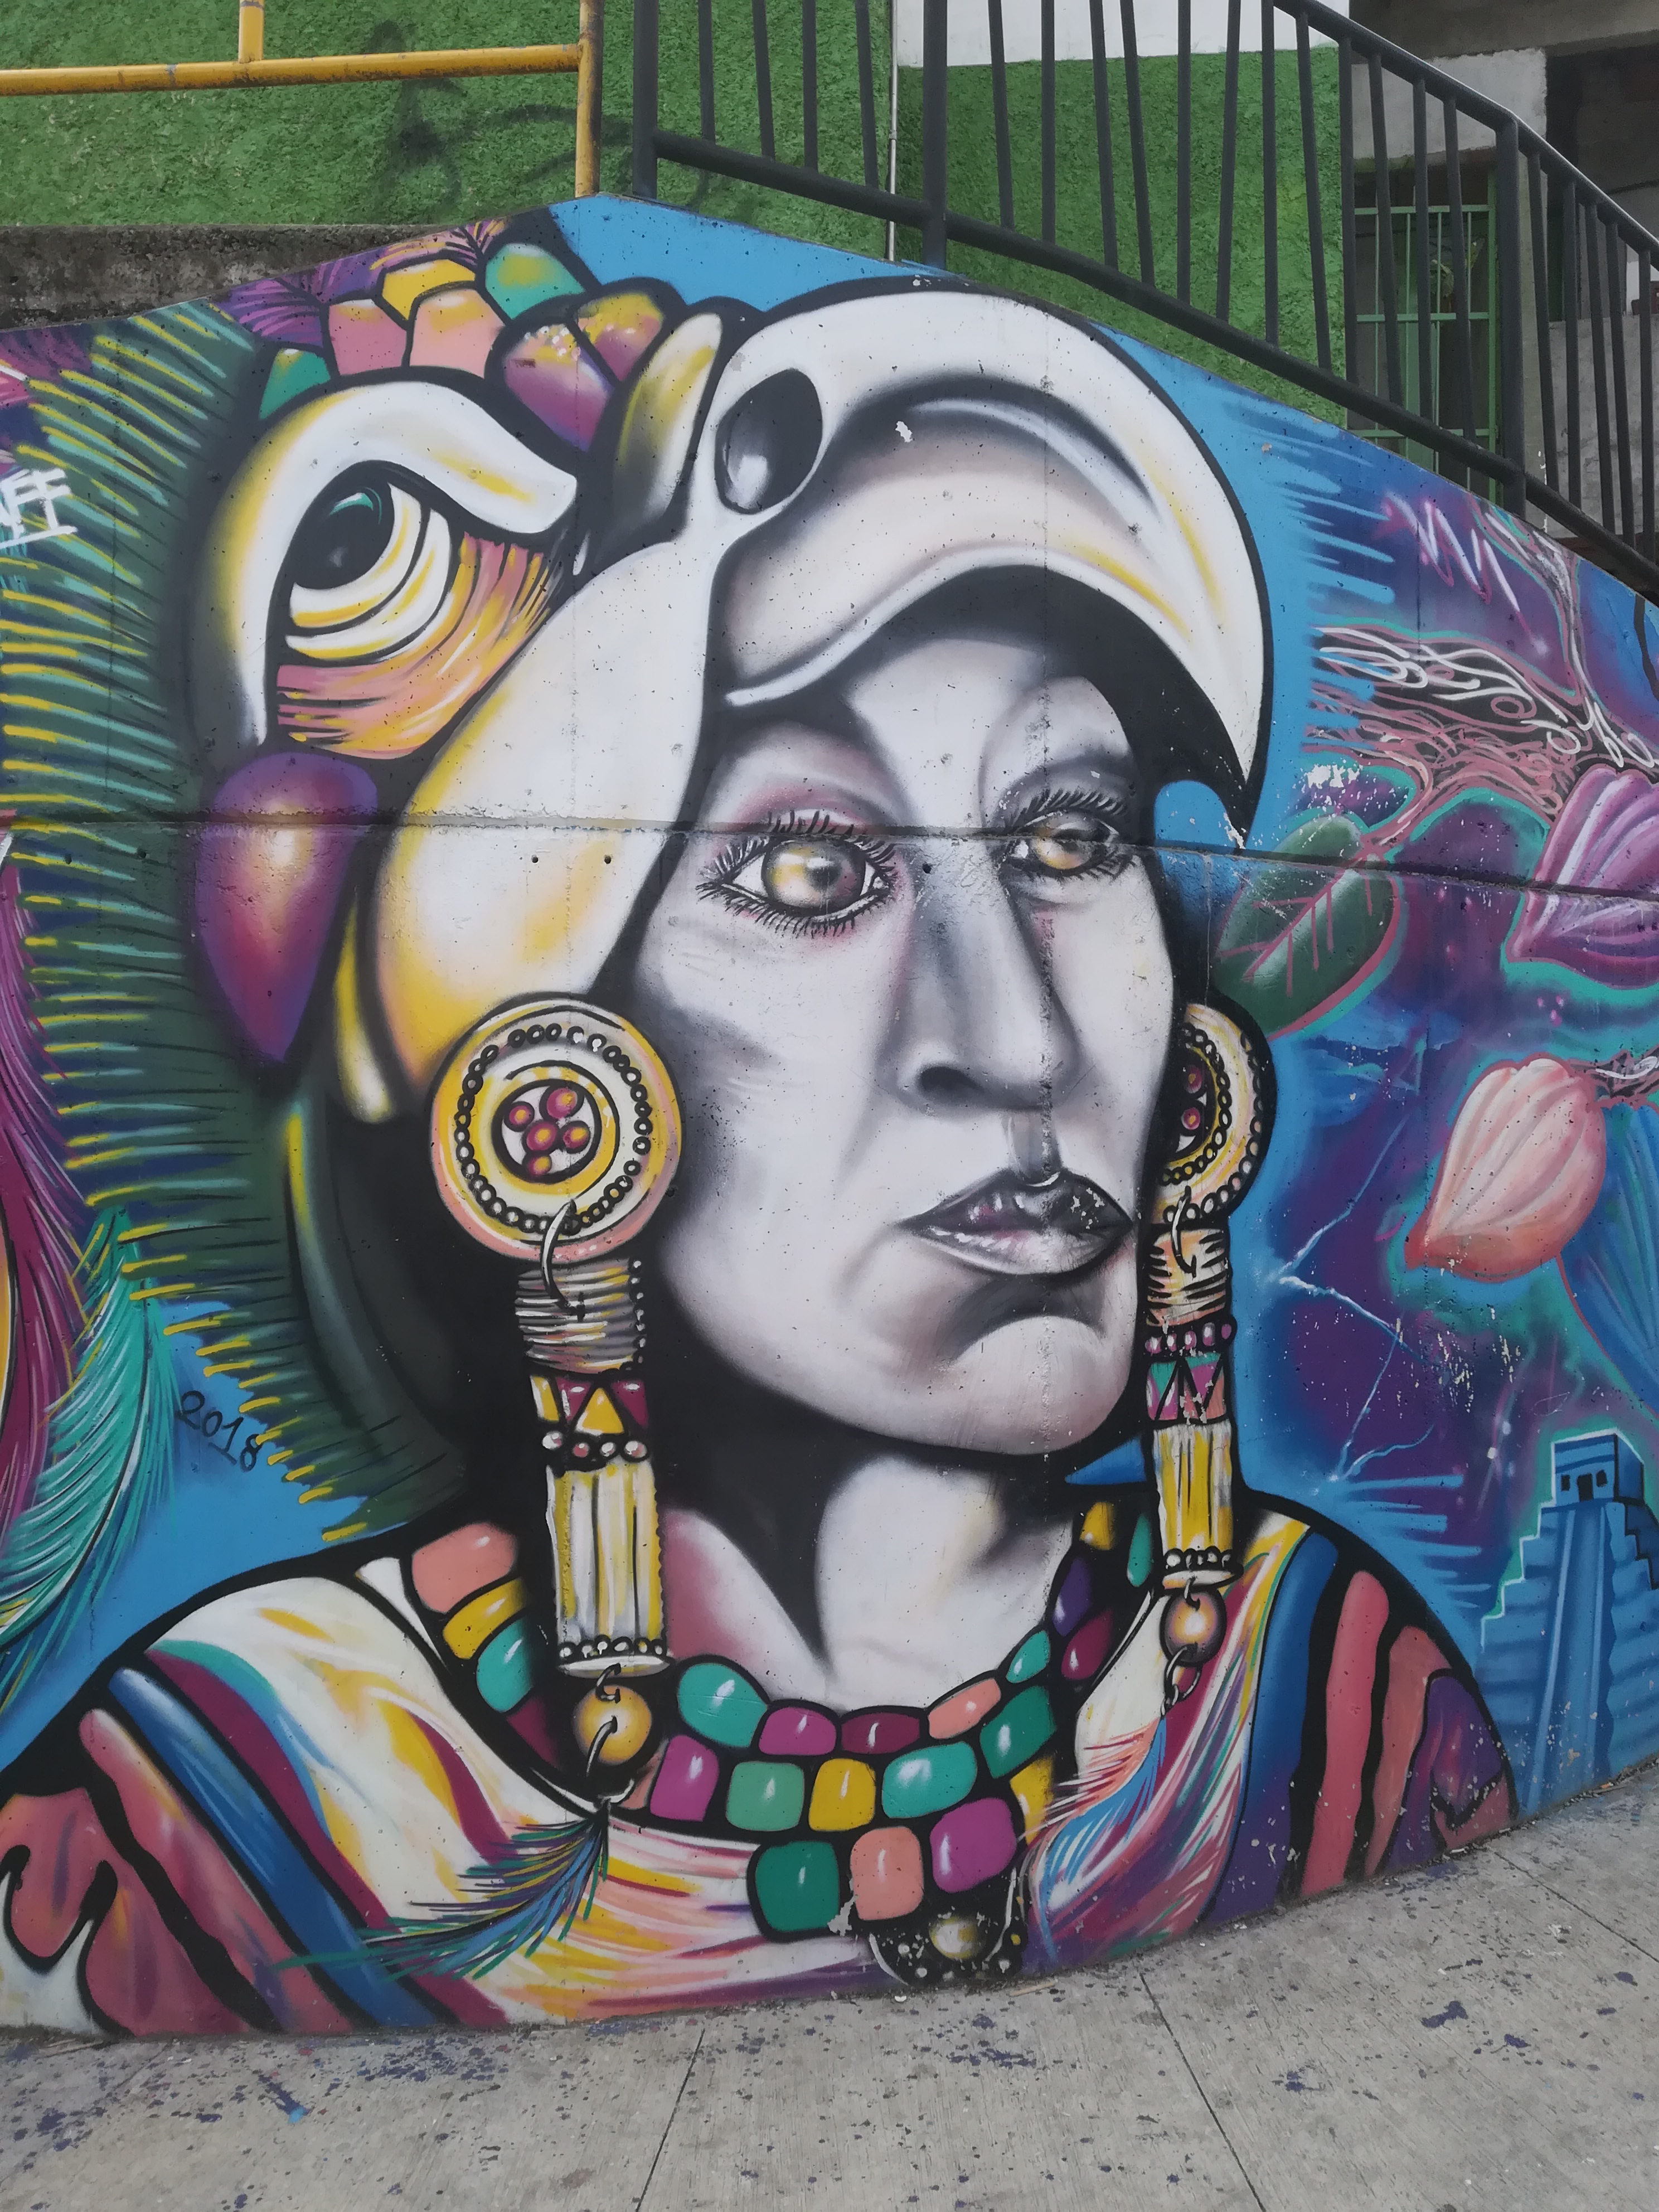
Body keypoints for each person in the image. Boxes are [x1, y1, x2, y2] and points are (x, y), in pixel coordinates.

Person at [0, 274, 1511, 2032]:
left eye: (1069, 835)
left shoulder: (1325, 1689)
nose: (1022, 1039)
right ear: (555, 1078)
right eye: (811, 873)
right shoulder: (227, 1819)